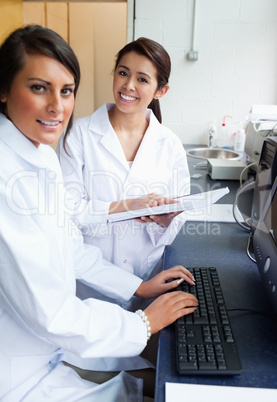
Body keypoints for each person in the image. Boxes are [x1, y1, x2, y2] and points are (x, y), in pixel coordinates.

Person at [0, 25, 198, 401]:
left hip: (58, 344)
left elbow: (69, 245)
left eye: (66, 90)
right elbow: (51, 313)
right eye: (39, 87)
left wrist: (138, 287)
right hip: (24, 365)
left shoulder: (39, 154)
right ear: (4, 88)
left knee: (153, 383)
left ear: (159, 90)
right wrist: (141, 322)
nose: (57, 107)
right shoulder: (14, 173)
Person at [57, 37, 191, 313]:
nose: (128, 85)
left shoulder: (170, 144)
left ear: (160, 91)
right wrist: (126, 206)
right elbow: (67, 212)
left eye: (142, 79)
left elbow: (181, 211)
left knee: (145, 347)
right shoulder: (78, 135)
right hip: (88, 284)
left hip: (148, 277)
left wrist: (166, 220)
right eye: (123, 73)